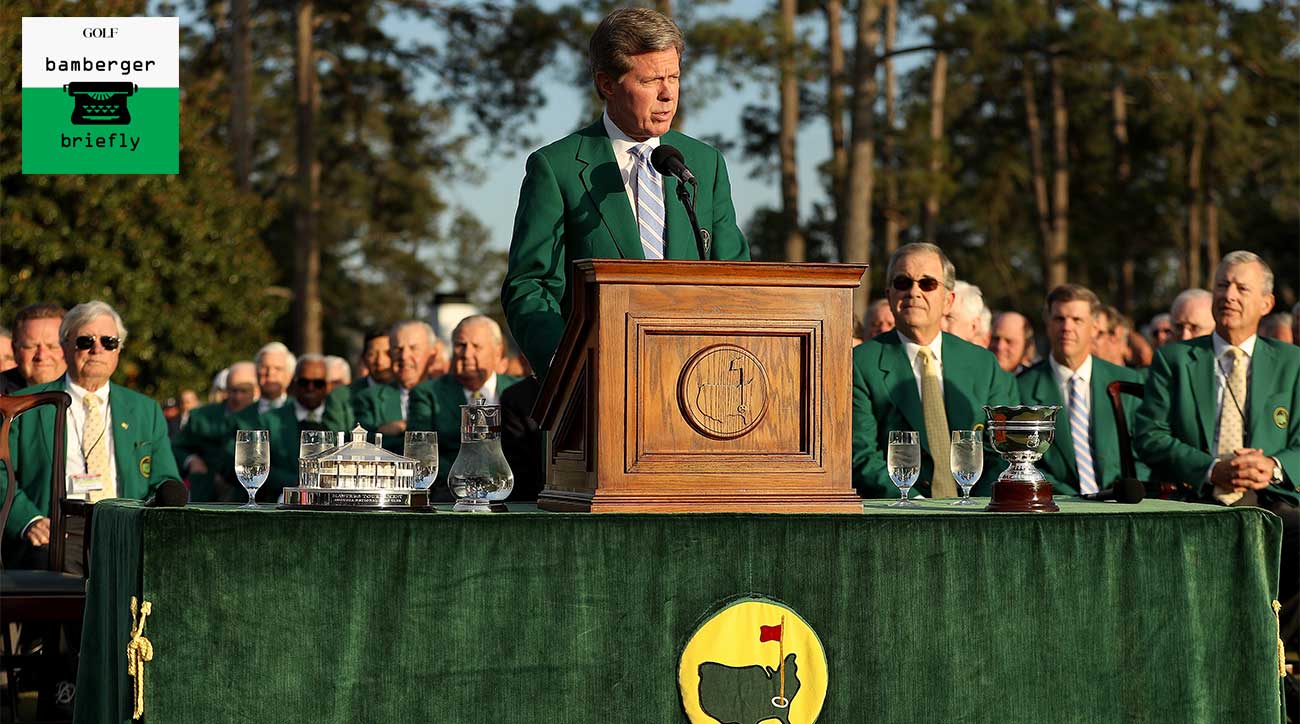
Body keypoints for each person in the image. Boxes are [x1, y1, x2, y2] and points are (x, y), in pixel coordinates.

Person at [501, 7, 750, 379]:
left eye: (674, 77)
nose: (668, 94)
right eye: (651, 81)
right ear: (607, 83)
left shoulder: (704, 163)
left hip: (700, 380)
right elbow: (529, 285)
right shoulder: (557, 167)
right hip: (599, 383)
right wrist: (567, 369)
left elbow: (736, 275)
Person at [1135, 251, 1297, 647]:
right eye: (1222, 284)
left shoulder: (1292, 364)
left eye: (1242, 287)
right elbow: (1149, 435)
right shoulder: (1175, 359)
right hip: (1191, 500)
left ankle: (1269, 655)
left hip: (1269, 502)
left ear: (1266, 303)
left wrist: (1273, 466)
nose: (1229, 294)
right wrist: (1210, 468)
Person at [3, 301, 181, 569]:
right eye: (85, 341)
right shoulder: (24, 405)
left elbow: (165, 479)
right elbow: (1, 473)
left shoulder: (145, 410)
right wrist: (29, 520)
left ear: (118, 350)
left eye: (108, 341)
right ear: (65, 347)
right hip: (56, 534)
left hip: (127, 529)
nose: (97, 349)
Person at [852, 243, 1018, 499]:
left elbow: (1001, 449)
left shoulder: (983, 364)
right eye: (902, 282)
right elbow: (860, 453)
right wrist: (917, 507)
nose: (913, 292)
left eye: (927, 283)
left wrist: (977, 505)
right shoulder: (861, 363)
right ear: (889, 295)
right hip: (898, 516)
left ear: (948, 300)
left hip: (977, 513)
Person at [1016, 285, 1148, 495]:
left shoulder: (1126, 382)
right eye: (1059, 319)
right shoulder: (1021, 388)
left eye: (1077, 320)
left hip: (1122, 505)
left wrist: (1130, 489)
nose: (1067, 327)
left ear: (1095, 327)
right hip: (1057, 508)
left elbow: (1145, 450)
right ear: (1048, 324)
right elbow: (1024, 464)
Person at [408, 316, 521, 495]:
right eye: (461, 346)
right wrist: (471, 481)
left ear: (497, 352)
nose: (466, 354)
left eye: (476, 346)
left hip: (515, 493)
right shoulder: (427, 394)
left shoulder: (519, 391)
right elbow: (423, 453)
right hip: (450, 494)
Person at [172, 360, 261, 502]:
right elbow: (175, 447)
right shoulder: (201, 417)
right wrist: (190, 460)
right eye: (233, 390)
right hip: (204, 497)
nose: (237, 396)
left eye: (243, 390)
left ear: (256, 391)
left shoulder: (263, 419)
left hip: (247, 498)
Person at [259, 355, 336, 503]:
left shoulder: (341, 420)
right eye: (304, 382)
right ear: (294, 384)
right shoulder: (269, 420)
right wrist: (297, 483)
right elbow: (258, 465)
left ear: (327, 386)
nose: (310, 388)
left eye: (318, 383)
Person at [350, 320, 436, 452]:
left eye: (413, 348)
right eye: (397, 349)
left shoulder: (447, 395)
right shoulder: (370, 398)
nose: (404, 356)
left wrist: (404, 428)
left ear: (432, 355)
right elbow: (363, 445)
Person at [1, 303, 67, 395]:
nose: (42, 356)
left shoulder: (88, 390)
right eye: (30, 347)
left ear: (69, 348)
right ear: (14, 350)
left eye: (52, 346)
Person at [942, 280, 991, 347]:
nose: (940, 324)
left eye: (949, 318)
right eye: (936, 316)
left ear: (973, 326)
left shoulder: (986, 357)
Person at [255, 342, 295, 413]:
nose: (270, 373)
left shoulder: (299, 413)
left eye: (277, 368)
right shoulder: (239, 418)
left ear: (290, 376)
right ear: (256, 372)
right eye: (264, 367)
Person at [349, 328, 394, 392]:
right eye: (372, 354)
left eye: (388, 353)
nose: (380, 361)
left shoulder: (409, 394)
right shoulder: (346, 398)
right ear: (364, 358)